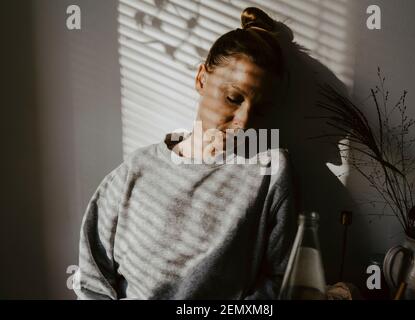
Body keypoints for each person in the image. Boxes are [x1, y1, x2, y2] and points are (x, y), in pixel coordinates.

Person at [74, 7, 298, 300]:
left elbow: (284, 281)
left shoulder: (269, 171)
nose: (244, 123)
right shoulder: (136, 169)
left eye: (260, 110)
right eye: (233, 98)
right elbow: (92, 280)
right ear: (202, 79)